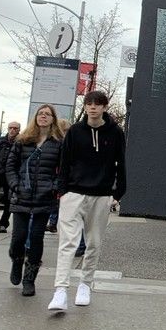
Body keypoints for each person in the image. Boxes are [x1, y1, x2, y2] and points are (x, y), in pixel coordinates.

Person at [48, 90, 126, 312]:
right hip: (73, 192)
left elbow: (121, 163)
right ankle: (60, 290)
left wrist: (118, 193)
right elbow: (64, 162)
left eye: (97, 104)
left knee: (93, 242)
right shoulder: (74, 131)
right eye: (89, 103)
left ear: (104, 107)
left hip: (101, 195)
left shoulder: (116, 133)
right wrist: (62, 191)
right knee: (67, 243)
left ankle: (85, 284)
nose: (92, 107)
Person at [6, 104, 64, 296]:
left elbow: (64, 170)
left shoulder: (58, 143)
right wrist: (16, 185)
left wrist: (53, 187)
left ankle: (29, 278)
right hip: (21, 196)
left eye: (47, 114)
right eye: (41, 114)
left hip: (44, 199)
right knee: (19, 237)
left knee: (37, 238)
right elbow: (11, 166)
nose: (43, 117)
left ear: (53, 119)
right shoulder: (23, 140)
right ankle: (16, 260)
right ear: (35, 117)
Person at [45, 118, 71, 234]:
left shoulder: (60, 144)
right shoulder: (59, 144)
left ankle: (53, 223)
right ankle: (53, 223)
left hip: (60, 179)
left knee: (57, 204)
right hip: (57, 179)